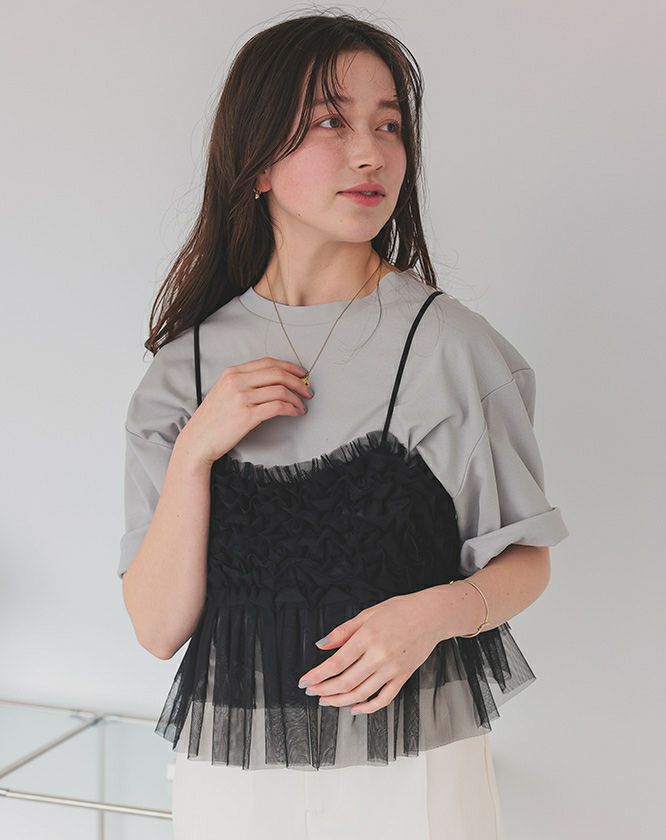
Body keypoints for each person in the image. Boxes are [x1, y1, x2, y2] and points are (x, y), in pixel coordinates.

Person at [119, 11, 570, 839]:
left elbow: (526, 559)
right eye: (332, 121)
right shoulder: (182, 373)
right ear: (257, 162)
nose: (371, 154)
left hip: (415, 778)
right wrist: (195, 452)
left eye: (388, 126)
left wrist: (429, 615)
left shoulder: (450, 348)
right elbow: (157, 628)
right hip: (234, 789)